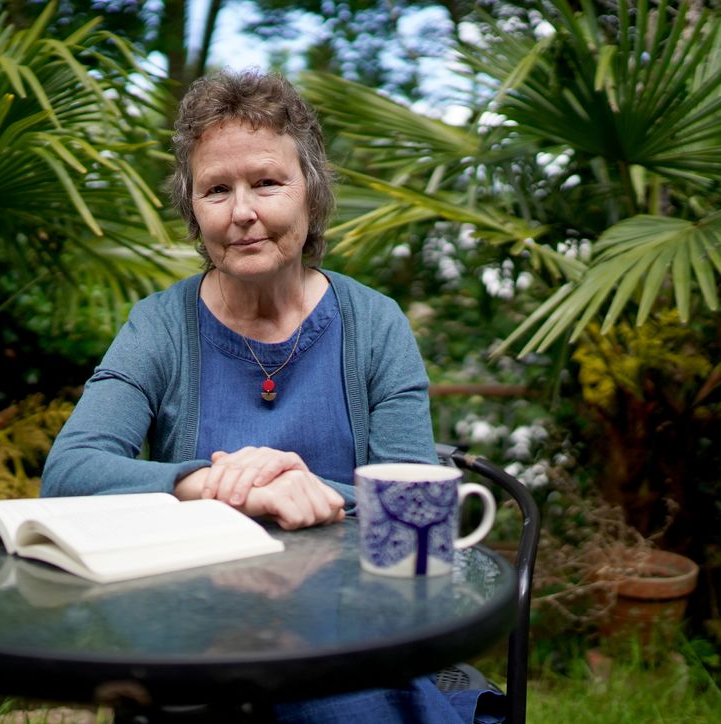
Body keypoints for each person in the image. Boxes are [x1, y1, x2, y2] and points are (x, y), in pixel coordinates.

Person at [41, 69, 502, 724]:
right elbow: (68, 474)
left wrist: (306, 490)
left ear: (312, 192)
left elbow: (413, 505)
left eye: (266, 183)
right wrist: (213, 484)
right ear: (193, 210)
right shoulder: (159, 325)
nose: (242, 212)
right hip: (197, 643)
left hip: (353, 634)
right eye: (216, 190)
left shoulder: (375, 324)